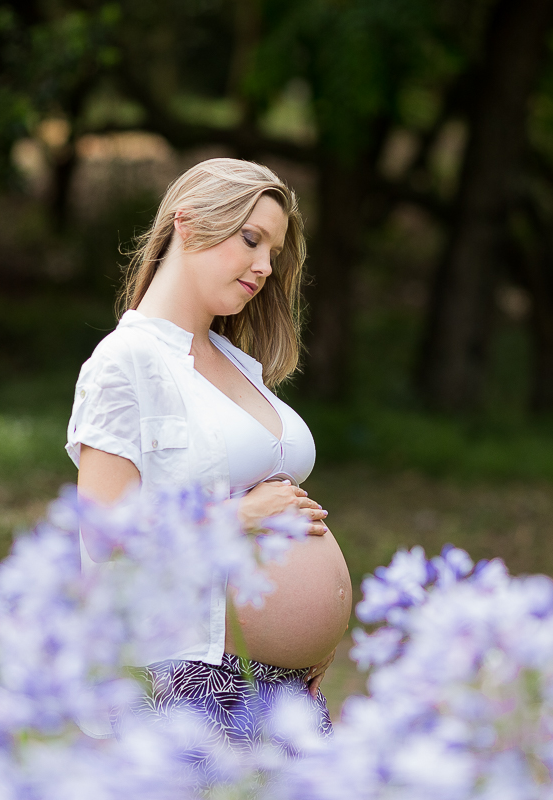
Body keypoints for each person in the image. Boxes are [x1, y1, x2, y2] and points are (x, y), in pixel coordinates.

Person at [65, 158, 352, 765]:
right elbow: (105, 532)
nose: (265, 266)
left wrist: (307, 640)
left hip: (284, 687)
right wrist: (241, 517)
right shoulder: (126, 361)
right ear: (188, 224)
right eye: (251, 240)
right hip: (194, 679)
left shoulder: (236, 362)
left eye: (273, 252)